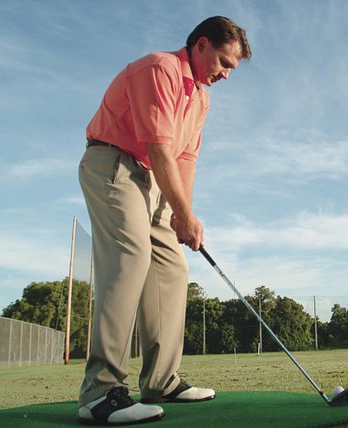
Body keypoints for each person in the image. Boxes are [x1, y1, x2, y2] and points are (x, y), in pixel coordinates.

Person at [77, 16, 251, 426]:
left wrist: (182, 215)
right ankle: (100, 392)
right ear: (202, 45)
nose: (225, 75)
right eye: (224, 63)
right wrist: (184, 213)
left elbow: (185, 158)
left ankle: (160, 380)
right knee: (130, 258)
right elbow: (159, 147)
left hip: (153, 177)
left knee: (172, 268)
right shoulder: (161, 68)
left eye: (231, 69)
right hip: (111, 163)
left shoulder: (202, 98)